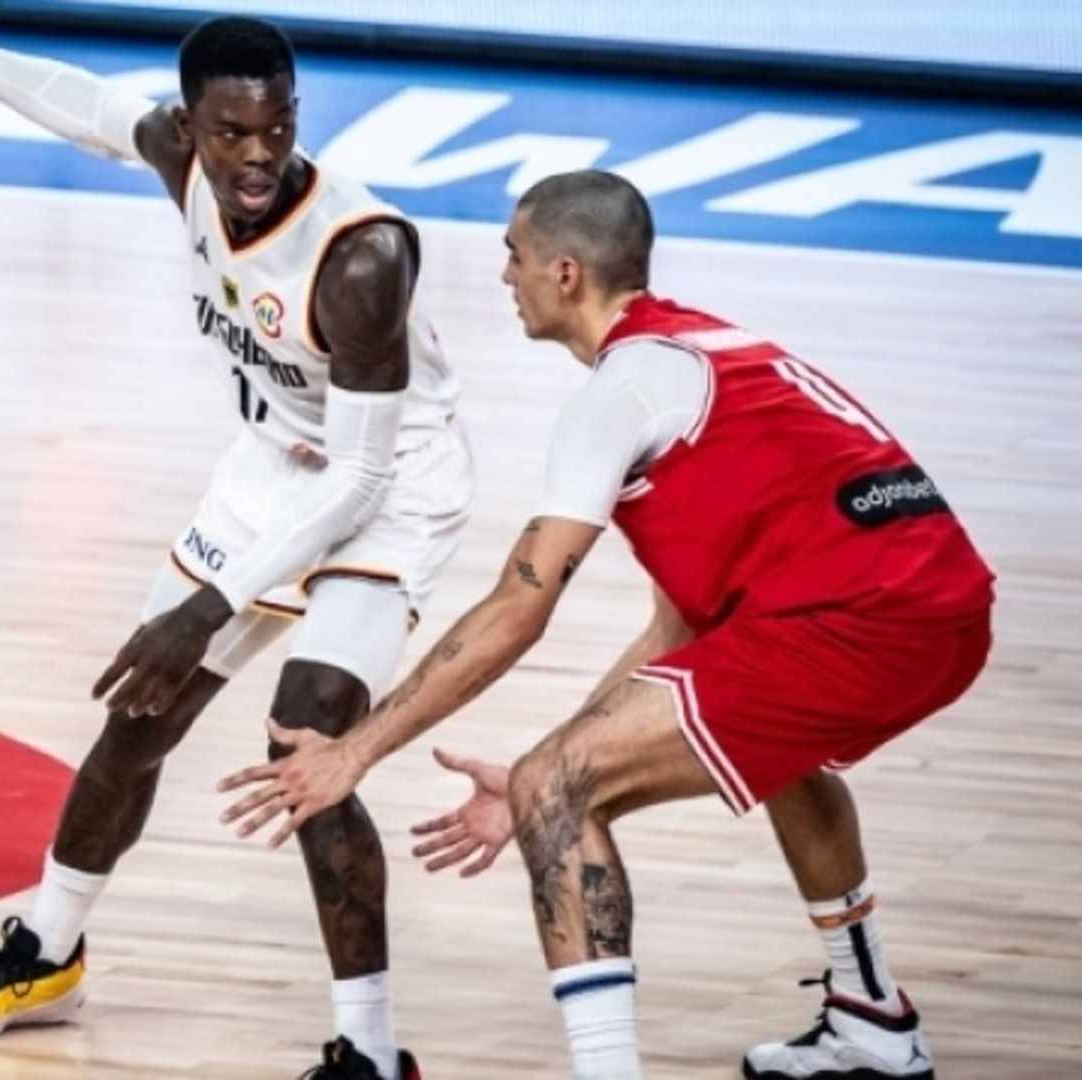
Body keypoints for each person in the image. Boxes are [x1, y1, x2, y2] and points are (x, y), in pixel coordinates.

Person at [219, 170, 992, 1080]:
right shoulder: (707, 347)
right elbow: (683, 631)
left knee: (562, 790)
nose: (504, 274)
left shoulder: (619, 393)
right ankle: (872, 1019)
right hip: (945, 607)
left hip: (863, 622)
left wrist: (359, 754)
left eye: (515, 255)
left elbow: (517, 609)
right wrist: (551, 760)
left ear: (567, 273)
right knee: (756, 749)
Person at [0, 17, 474, 1078]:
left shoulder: (361, 255)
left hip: (391, 489)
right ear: (191, 124)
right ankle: (47, 954)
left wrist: (207, 609)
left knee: (305, 747)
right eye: (231, 131)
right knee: (138, 719)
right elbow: (87, 108)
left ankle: (373, 1052)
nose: (258, 154)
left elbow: (360, 479)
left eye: (278, 126)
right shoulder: (180, 160)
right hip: (272, 468)